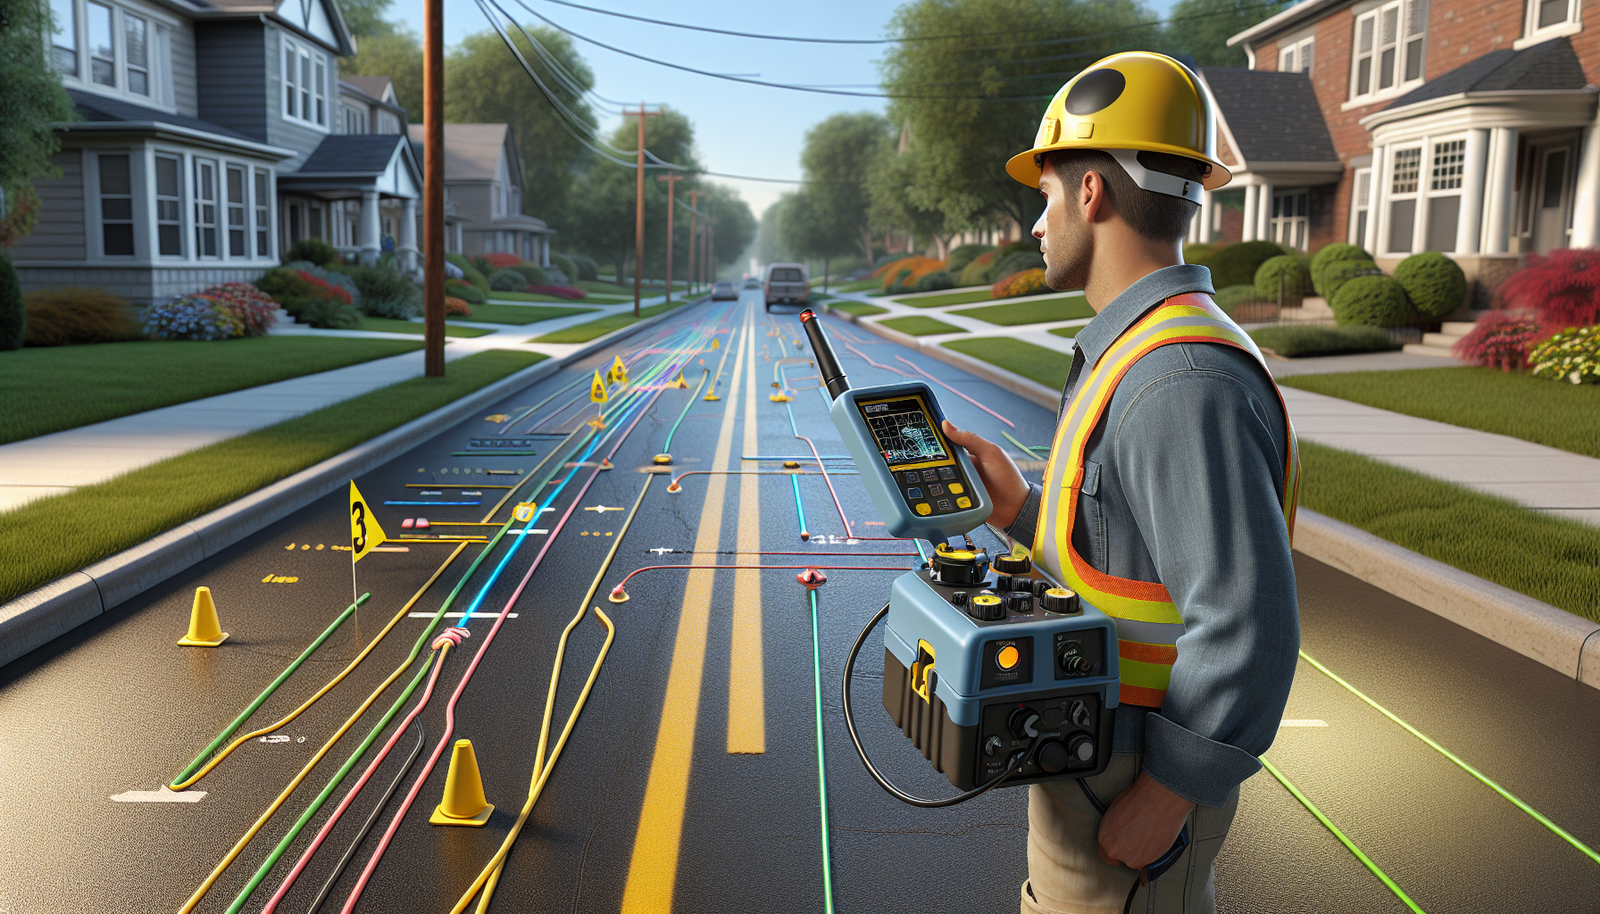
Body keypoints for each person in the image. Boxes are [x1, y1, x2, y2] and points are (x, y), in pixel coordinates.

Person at [939, 52, 1302, 914]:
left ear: (1093, 194)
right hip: (1100, 758)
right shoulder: (1143, 352)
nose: (1038, 223)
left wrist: (1167, 794)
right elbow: (1132, 563)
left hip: (1130, 781)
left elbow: (1249, 619)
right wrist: (1021, 513)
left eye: (1047, 194)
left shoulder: (1176, 377)